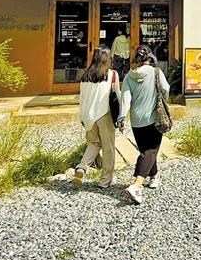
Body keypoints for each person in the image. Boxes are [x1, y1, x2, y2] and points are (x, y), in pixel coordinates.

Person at [121, 45, 169, 204]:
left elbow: (125, 99)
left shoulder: (129, 76)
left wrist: (121, 117)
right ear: (150, 57)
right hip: (153, 118)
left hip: (136, 121)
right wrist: (163, 100)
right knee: (150, 151)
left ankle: (154, 176)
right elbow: (166, 89)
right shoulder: (156, 72)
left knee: (146, 151)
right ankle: (136, 185)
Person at [72, 45, 122, 189]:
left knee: (93, 143)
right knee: (108, 148)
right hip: (104, 114)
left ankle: (82, 167)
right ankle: (105, 181)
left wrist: (81, 117)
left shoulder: (85, 76)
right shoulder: (111, 74)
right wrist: (121, 116)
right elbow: (117, 95)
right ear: (108, 59)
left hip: (87, 115)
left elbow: (81, 98)